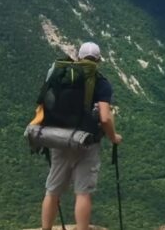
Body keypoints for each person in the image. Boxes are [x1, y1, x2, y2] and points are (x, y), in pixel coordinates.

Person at [40, 42, 123, 230]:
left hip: (59, 138)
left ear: (78, 57)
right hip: (86, 143)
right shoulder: (101, 82)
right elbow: (104, 117)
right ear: (98, 60)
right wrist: (113, 137)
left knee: (52, 191)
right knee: (83, 193)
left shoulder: (62, 75)